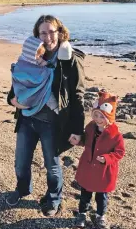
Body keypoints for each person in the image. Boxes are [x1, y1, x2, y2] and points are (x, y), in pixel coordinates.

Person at [6, 15, 86, 217]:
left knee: (52, 165)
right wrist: (11, 100)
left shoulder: (69, 59)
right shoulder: (32, 53)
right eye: (43, 32)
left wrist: (78, 129)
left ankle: (53, 198)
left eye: (52, 31)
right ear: (37, 35)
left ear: (60, 32)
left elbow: (78, 95)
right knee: (21, 162)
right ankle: (23, 189)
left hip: (52, 123)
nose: (48, 36)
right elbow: (19, 80)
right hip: (27, 119)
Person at [73, 89, 125, 229]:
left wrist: (107, 158)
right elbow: (85, 140)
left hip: (104, 171)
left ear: (108, 118)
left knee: (101, 196)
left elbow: (120, 152)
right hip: (88, 168)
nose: (97, 119)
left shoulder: (116, 135)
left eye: (101, 117)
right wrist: (77, 140)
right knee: (85, 193)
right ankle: (82, 214)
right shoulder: (90, 128)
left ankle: (100, 216)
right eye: (95, 115)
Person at [11, 36, 71, 115]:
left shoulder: (20, 63)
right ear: (31, 55)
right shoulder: (23, 66)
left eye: (41, 56)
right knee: (48, 95)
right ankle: (56, 109)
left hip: (21, 99)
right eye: (38, 56)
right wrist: (49, 68)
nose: (40, 58)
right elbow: (38, 77)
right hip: (25, 96)